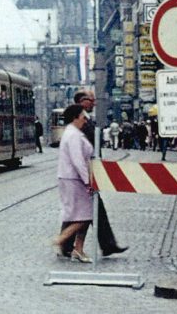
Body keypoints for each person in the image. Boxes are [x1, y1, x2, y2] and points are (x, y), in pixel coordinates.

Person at [60, 90, 126, 257]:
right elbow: (78, 156)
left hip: (87, 172)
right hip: (81, 175)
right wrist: (87, 179)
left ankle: (70, 244)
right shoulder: (77, 124)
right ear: (82, 102)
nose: (94, 103)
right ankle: (68, 243)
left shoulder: (85, 121)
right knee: (87, 210)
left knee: (82, 210)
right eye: (91, 100)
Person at [52, 104, 94, 263]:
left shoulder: (73, 132)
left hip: (72, 179)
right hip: (73, 179)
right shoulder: (73, 135)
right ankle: (62, 239)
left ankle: (78, 249)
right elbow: (78, 161)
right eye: (83, 117)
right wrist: (87, 181)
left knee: (83, 214)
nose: (85, 120)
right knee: (84, 215)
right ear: (75, 118)